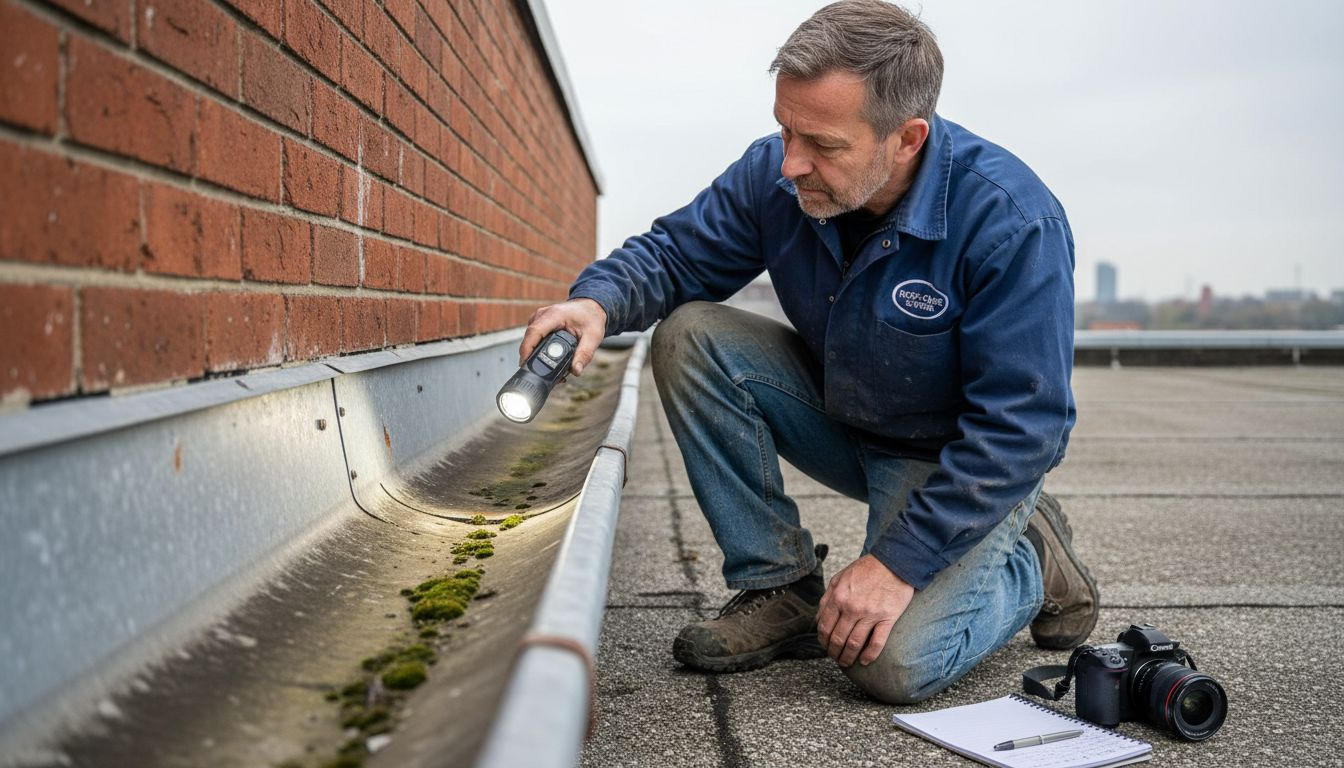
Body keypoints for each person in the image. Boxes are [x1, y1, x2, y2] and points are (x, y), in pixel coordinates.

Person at [518, 0, 1098, 704]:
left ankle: (1029, 558)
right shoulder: (778, 174)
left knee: (890, 666)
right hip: (843, 416)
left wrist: (898, 563)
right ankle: (780, 586)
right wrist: (597, 302)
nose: (792, 163)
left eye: (822, 144)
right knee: (691, 334)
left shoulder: (1011, 221)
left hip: (950, 461)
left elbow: (1024, 426)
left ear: (907, 139)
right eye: (784, 129)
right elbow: (675, 256)